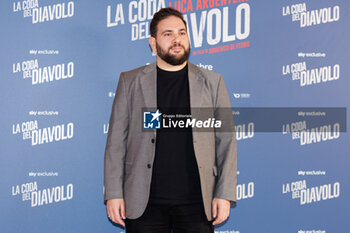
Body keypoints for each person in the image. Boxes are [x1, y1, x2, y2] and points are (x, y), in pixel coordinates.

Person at [104, 7, 237, 233]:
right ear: (153, 43)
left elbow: (226, 141)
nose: (177, 39)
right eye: (168, 34)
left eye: (182, 32)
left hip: (198, 204)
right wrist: (114, 193)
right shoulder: (131, 81)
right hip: (144, 205)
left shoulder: (212, 82)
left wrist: (224, 194)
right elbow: (116, 142)